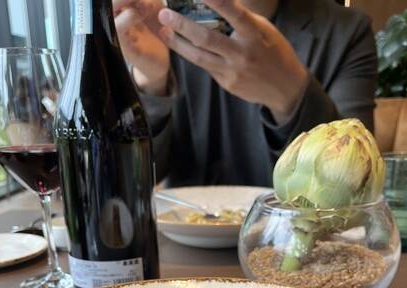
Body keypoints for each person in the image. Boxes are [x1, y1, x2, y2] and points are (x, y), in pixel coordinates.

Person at [113, 0, 378, 187]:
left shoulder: (345, 31)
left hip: (300, 243)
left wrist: (292, 93)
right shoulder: (156, 24)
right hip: (182, 243)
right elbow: (131, 179)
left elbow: (355, 181)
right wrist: (151, 83)